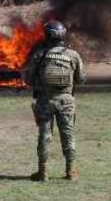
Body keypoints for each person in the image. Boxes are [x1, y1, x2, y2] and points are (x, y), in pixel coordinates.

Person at [23, 20, 86, 182]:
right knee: (68, 134)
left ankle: (43, 172)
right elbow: (81, 79)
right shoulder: (73, 55)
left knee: (45, 135)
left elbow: (28, 79)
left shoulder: (39, 54)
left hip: (45, 100)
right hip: (66, 100)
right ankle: (71, 171)